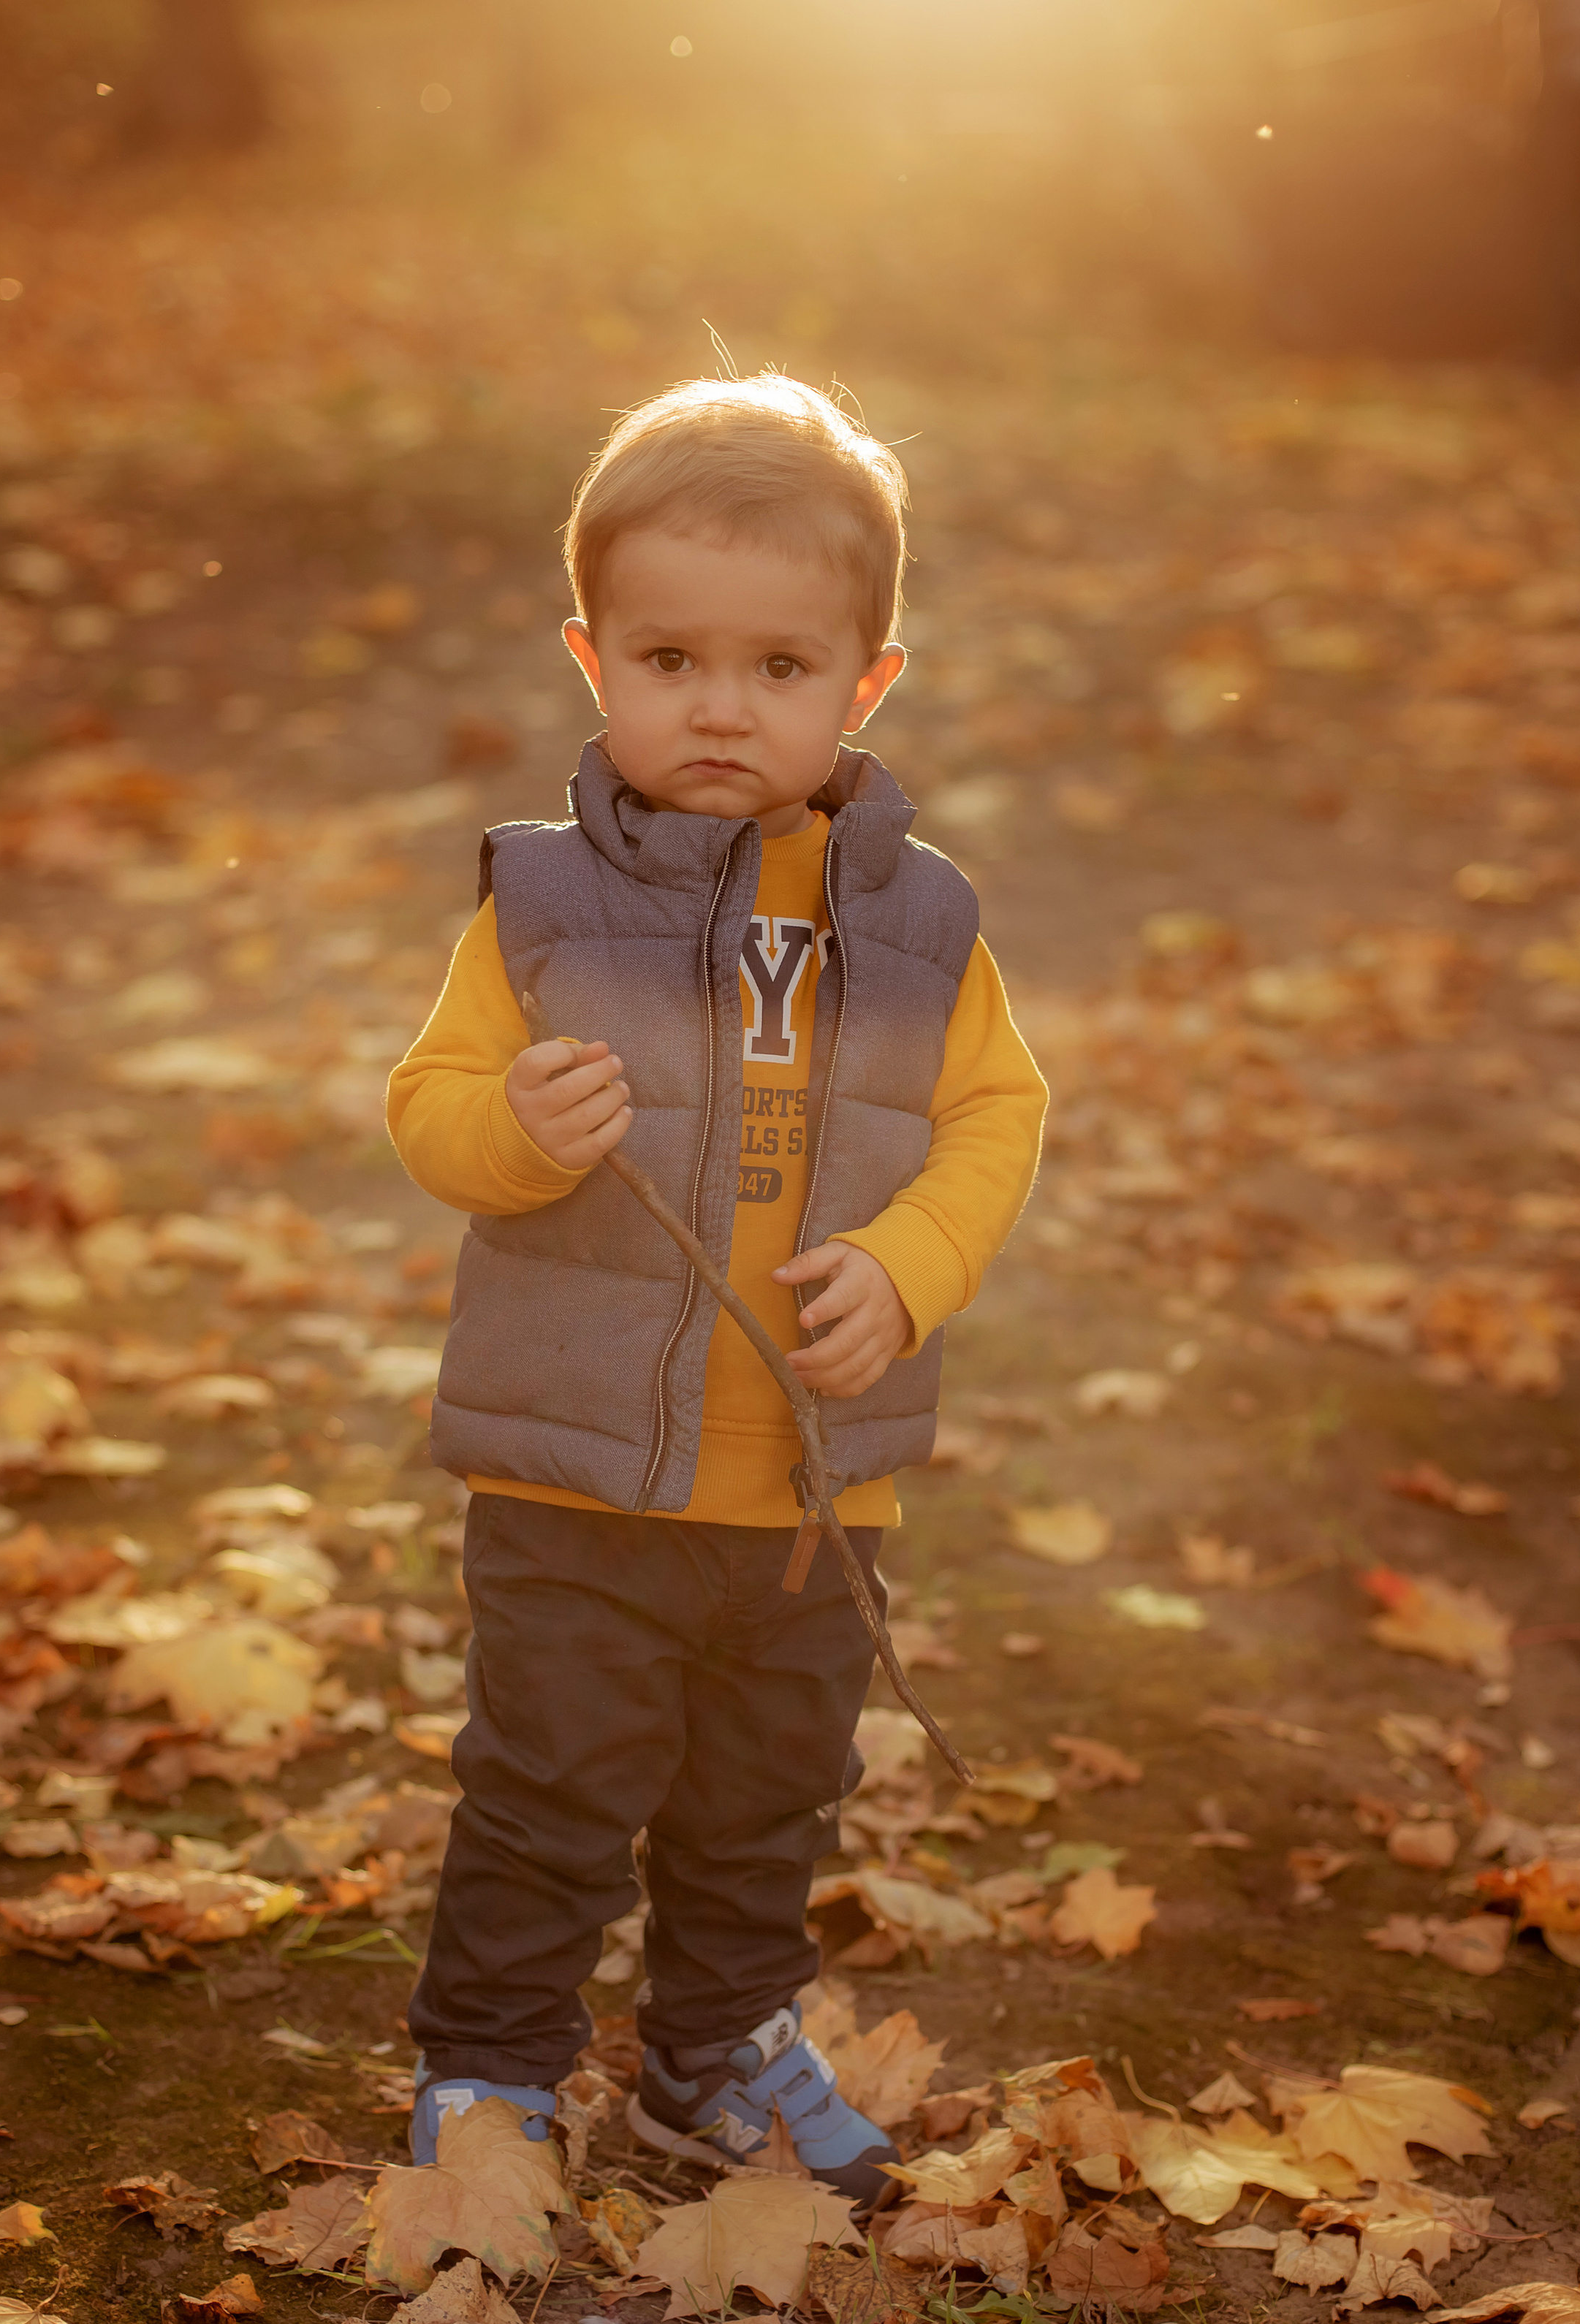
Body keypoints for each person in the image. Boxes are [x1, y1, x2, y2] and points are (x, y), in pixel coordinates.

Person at [385, 374, 1047, 2209]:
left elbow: (998, 1120)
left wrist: (911, 1271)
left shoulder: (920, 931)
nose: (720, 706)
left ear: (865, 681)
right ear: (592, 659)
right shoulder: (539, 911)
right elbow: (427, 1105)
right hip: (575, 1476)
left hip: (811, 1484)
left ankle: (711, 2054)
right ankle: (492, 2076)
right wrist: (513, 1128)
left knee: (764, 1805)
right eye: (670, 657)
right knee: (550, 1795)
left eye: (776, 664)